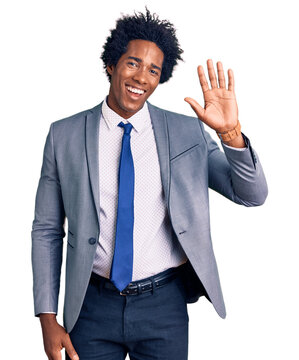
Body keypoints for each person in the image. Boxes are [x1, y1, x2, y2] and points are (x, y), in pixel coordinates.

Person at [31, 8, 268, 360]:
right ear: (111, 64)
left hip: (164, 306)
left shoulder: (187, 133)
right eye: (132, 63)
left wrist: (229, 133)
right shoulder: (63, 135)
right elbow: (47, 229)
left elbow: (251, 194)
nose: (141, 77)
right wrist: (47, 318)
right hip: (91, 307)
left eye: (153, 70)